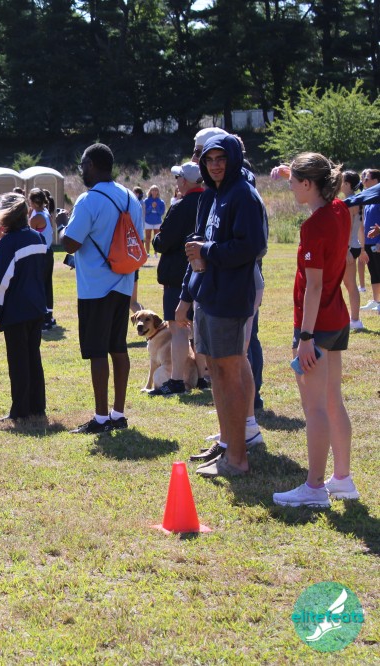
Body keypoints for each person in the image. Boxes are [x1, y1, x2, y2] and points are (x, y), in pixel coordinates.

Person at [176, 134, 268, 477]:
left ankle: (238, 459)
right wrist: (186, 296)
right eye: (209, 160)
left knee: (230, 373)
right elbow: (196, 244)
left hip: (230, 297)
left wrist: (208, 251)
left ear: (233, 160)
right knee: (215, 371)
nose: (215, 166)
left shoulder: (243, 194)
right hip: (207, 294)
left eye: (221, 159)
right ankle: (227, 445)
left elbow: (251, 247)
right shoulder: (210, 195)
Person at [273, 153, 357, 507]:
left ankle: (314, 487)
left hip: (317, 326)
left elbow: (314, 286)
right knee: (333, 401)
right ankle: (343, 480)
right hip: (336, 319)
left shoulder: (313, 226)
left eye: (294, 182)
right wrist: (289, 171)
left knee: (315, 408)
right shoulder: (339, 209)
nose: (290, 187)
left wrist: (305, 337)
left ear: (309, 184)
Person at [61, 144, 144, 434]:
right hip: (123, 282)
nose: (81, 171)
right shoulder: (131, 198)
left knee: (97, 351)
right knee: (118, 348)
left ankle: (99, 418)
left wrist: (63, 224)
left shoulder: (88, 199)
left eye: (83, 165)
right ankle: (118, 413)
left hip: (95, 287)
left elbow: (70, 243)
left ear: (93, 165)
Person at [0, 193, 49, 422]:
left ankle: (20, 411)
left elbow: (1, 281)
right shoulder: (38, 238)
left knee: (18, 361)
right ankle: (37, 407)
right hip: (36, 308)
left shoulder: (8, 243)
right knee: (33, 358)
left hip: (15, 311)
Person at [150, 162, 204, 396]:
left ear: (184, 181)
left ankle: (177, 380)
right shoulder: (210, 201)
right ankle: (202, 376)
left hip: (178, 274)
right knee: (198, 327)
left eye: (178, 178)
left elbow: (164, 241)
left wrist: (156, 240)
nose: (177, 182)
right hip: (204, 272)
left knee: (178, 327)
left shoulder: (181, 206)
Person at [28, 189, 56, 330]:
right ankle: (49, 317)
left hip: (40, 254)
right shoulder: (46, 213)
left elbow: (28, 235)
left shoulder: (36, 218)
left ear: (32, 202)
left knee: (38, 286)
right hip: (48, 252)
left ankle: (43, 320)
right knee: (46, 285)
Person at [340, 171, 364, 330]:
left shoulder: (349, 202)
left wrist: (346, 250)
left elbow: (346, 229)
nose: (339, 184)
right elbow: (361, 228)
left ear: (347, 184)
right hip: (353, 246)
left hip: (348, 248)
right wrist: (362, 248)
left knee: (350, 285)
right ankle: (353, 319)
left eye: (341, 181)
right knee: (350, 285)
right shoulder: (359, 200)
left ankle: (354, 320)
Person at [358, 169, 380, 313]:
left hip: (377, 242)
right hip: (369, 242)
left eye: (367, 178)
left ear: (376, 180)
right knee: (374, 272)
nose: (364, 180)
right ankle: (376, 301)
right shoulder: (370, 199)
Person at [142, 185, 165, 255]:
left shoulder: (161, 202)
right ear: (150, 191)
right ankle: (147, 253)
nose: (154, 192)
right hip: (148, 222)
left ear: (158, 192)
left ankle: (156, 253)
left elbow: (161, 213)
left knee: (157, 238)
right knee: (147, 238)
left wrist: (156, 207)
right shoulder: (146, 201)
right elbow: (145, 212)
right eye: (153, 190)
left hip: (157, 222)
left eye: (156, 190)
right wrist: (151, 207)